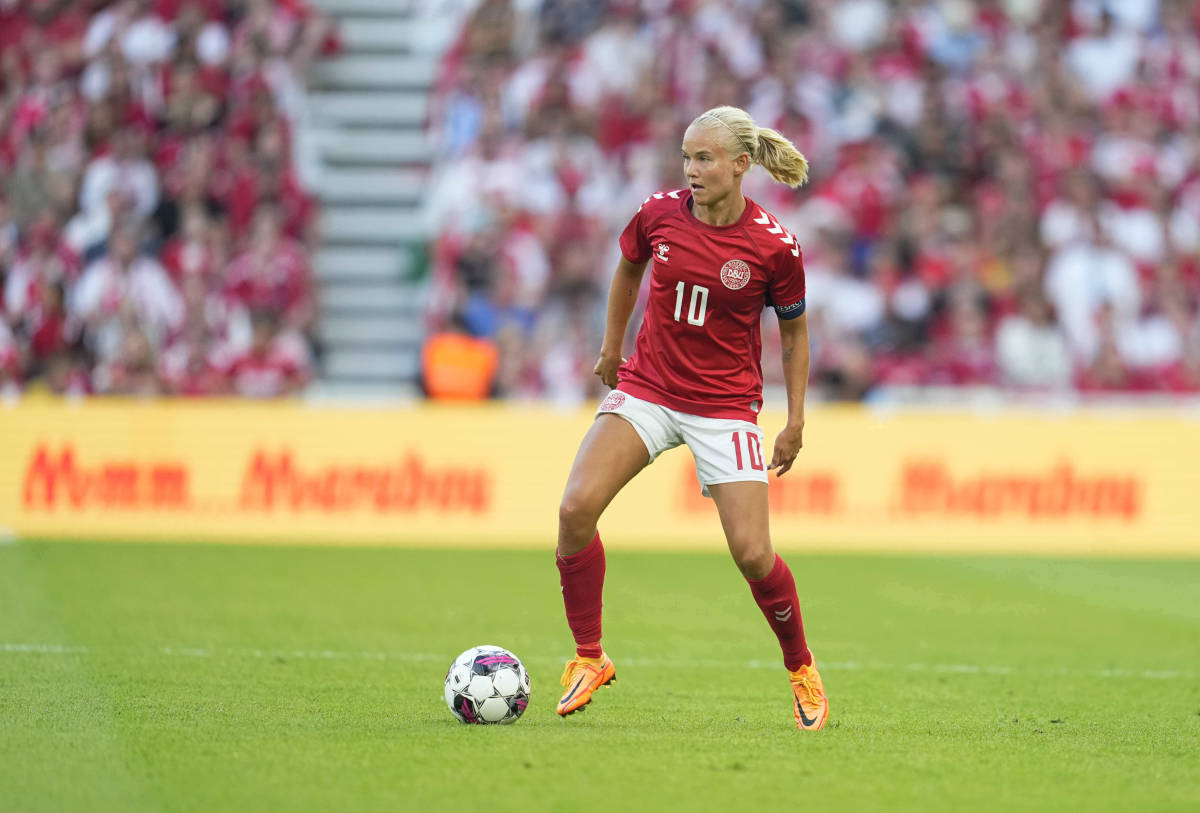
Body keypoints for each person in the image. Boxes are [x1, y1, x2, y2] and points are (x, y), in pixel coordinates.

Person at [554, 106, 828, 730]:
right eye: (686, 157)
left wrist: (795, 421)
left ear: (741, 164)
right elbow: (629, 267)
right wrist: (611, 346)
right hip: (649, 386)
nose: (691, 169)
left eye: (704, 158)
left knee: (754, 554)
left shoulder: (774, 246)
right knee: (574, 511)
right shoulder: (658, 213)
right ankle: (590, 656)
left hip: (725, 405)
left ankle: (801, 668)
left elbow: (794, 337)